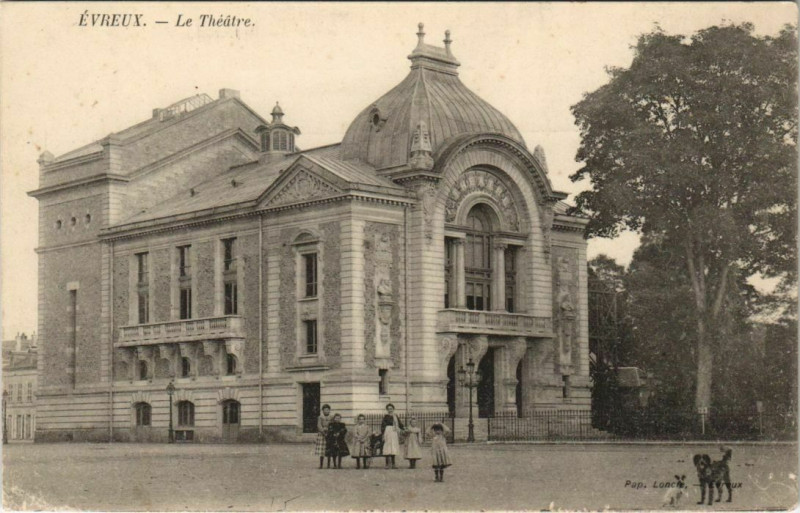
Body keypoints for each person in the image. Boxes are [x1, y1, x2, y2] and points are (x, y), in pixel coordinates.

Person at [380, 403, 404, 469]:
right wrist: (383, 433)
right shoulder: (386, 416)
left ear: (393, 409)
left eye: (391, 409)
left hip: (394, 432)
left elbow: (400, 424)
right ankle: (387, 464)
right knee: (387, 448)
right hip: (387, 432)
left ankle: (393, 464)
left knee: (393, 448)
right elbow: (383, 425)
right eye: (389, 409)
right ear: (387, 410)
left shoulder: (395, 416)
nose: (390, 410)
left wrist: (403, 429)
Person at [315, 404, 332, 469]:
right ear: (322, 411)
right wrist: (323, 432)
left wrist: (329, 431)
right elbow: (319, 426)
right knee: (322, 451)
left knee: (328, 450)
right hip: (322, 435)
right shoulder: (320, 417)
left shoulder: (331, 417)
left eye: (327, 410)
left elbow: (332, 425)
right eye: (325, 410)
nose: (326, 411)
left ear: (329, 410)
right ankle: (321, 464)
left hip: (329, 434)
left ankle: (328, 465)